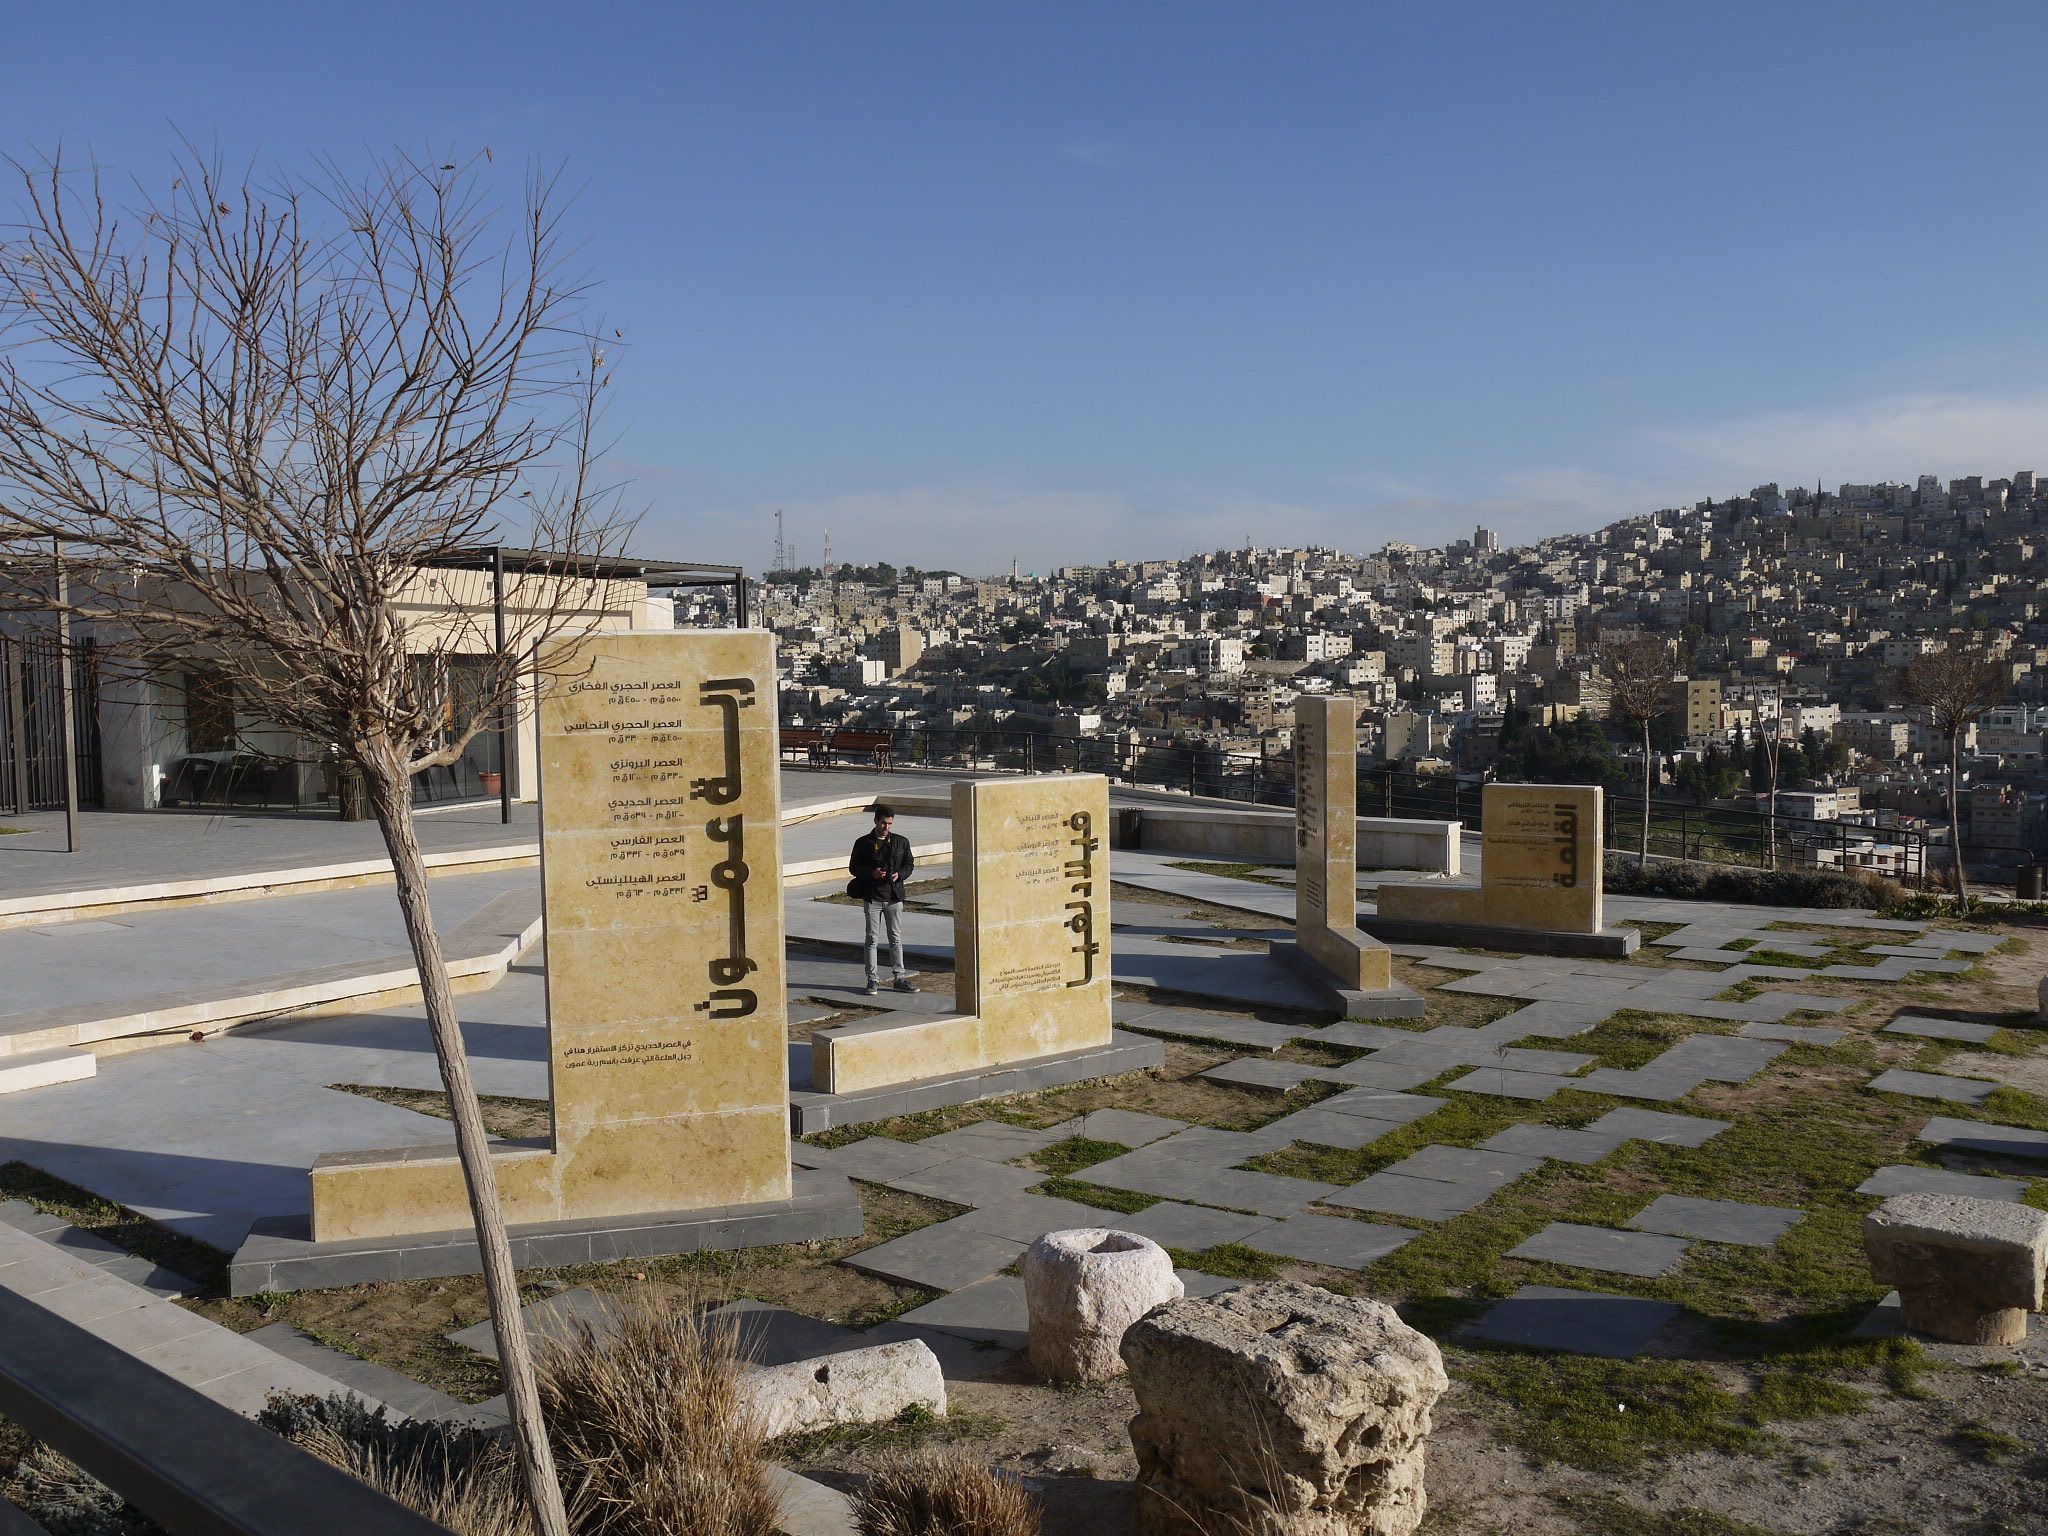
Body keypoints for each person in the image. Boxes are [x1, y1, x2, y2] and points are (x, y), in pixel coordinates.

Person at [849, 803, 916, 995]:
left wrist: (899, 875)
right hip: (872, 897)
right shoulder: (862, 843)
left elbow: (909, 864)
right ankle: (872, 979)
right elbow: (853, 867)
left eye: (890, 824)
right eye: (884, 823)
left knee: (895, 938)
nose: (887, 827)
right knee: (872, 939)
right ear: (876, 821)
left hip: (894, 897)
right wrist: (872, 873)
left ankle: (899, 977)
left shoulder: (901, 842)